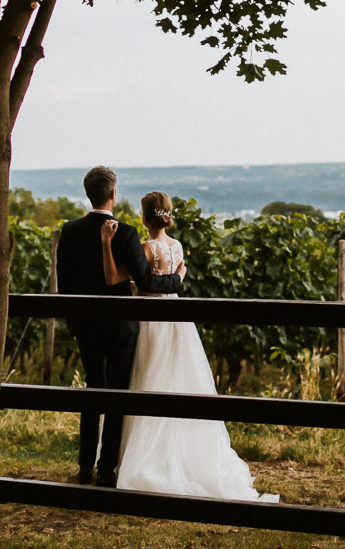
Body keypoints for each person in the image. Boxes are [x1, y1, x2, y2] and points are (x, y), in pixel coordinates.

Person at [101, 191, 278, 502]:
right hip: (177, 319)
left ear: (145, 217)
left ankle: (144, 455)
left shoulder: (145, 248)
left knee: (148, 382)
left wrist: (107, 246)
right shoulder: (177, 247)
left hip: (151, 322)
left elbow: (119, 277)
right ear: (167, 215)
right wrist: (178, 277)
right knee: (179, 379)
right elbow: (173, 275)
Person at [56, 166, 185, 487]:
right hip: (120, 327)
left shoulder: (69, 231)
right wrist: (179, 278)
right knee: (116, 394)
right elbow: (146, 281)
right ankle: (106, 470)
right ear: (113, 194)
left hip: (85, 324)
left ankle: (84, 466)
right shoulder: (126, 233)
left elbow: (64, 284)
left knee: (92, 390)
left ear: (88, 194)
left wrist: (74, 321)